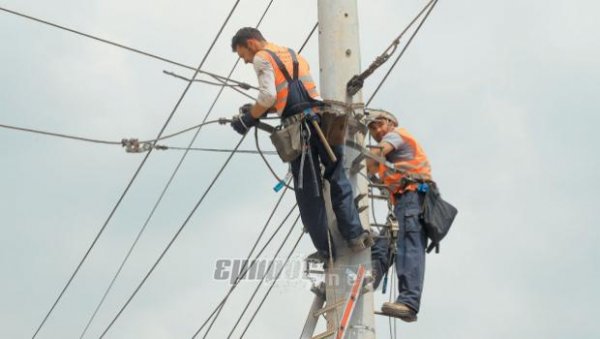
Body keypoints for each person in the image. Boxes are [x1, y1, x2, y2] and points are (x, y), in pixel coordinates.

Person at [229, 27, 373, 260]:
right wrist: (260, 112)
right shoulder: (293, 54)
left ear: (251, 43)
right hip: (322, 121)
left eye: (242, 54)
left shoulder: (261, 57)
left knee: (309, 191)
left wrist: (249, 119)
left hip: (299, 131)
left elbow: (268, 97)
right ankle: (354, 234)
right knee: (338, 177)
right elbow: (292, 94)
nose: (245, 61)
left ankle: (327, 250)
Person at [366, 109, 432, 322]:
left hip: (413, 198)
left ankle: (409, 302)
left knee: (408, 246)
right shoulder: (390, 156)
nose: (377, 130)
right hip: (403, 203)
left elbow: (373, 159)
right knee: (382, 247)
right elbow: (374, 170)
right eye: (372, 128)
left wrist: (358, 166)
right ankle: (368, 281)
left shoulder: (395, 136)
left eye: (379, 124)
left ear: (391, 123)